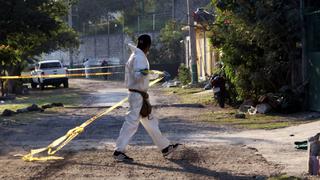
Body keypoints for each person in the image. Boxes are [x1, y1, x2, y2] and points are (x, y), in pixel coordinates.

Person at [113, 34, 179, 162]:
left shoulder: (135, 55)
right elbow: (139, 74)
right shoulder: (140, 57)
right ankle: (118, 151)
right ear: (148, 46)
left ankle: (165, 147)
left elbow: (141, 74)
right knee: (131, 123)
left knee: (150, 122)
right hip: (138, 96)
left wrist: (153, 74)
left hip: (138, 95)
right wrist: (155, 73)